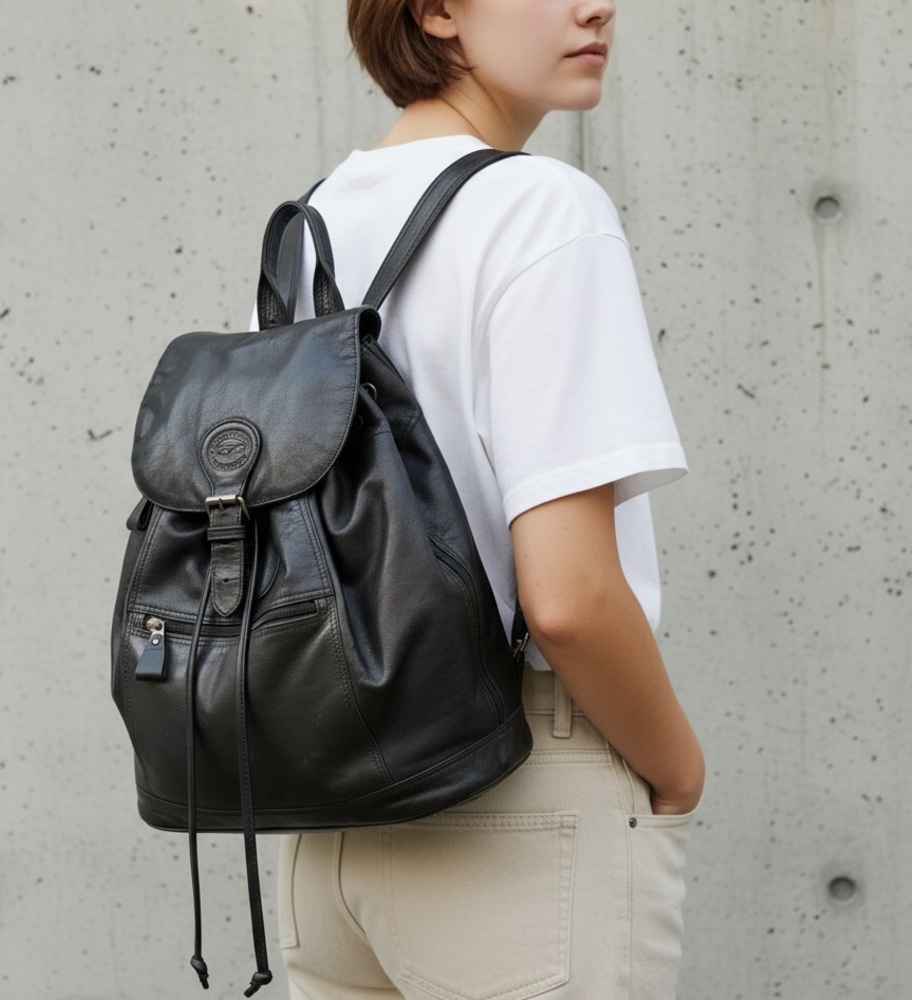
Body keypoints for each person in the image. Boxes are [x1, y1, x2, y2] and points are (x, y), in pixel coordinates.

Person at [276, 2, 706, 998]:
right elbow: (567, 596)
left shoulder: (312, 226)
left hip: (330, 809)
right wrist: (675, 772)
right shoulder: (541, 209)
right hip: (513, 791)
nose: (597, 6)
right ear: (434, 11)